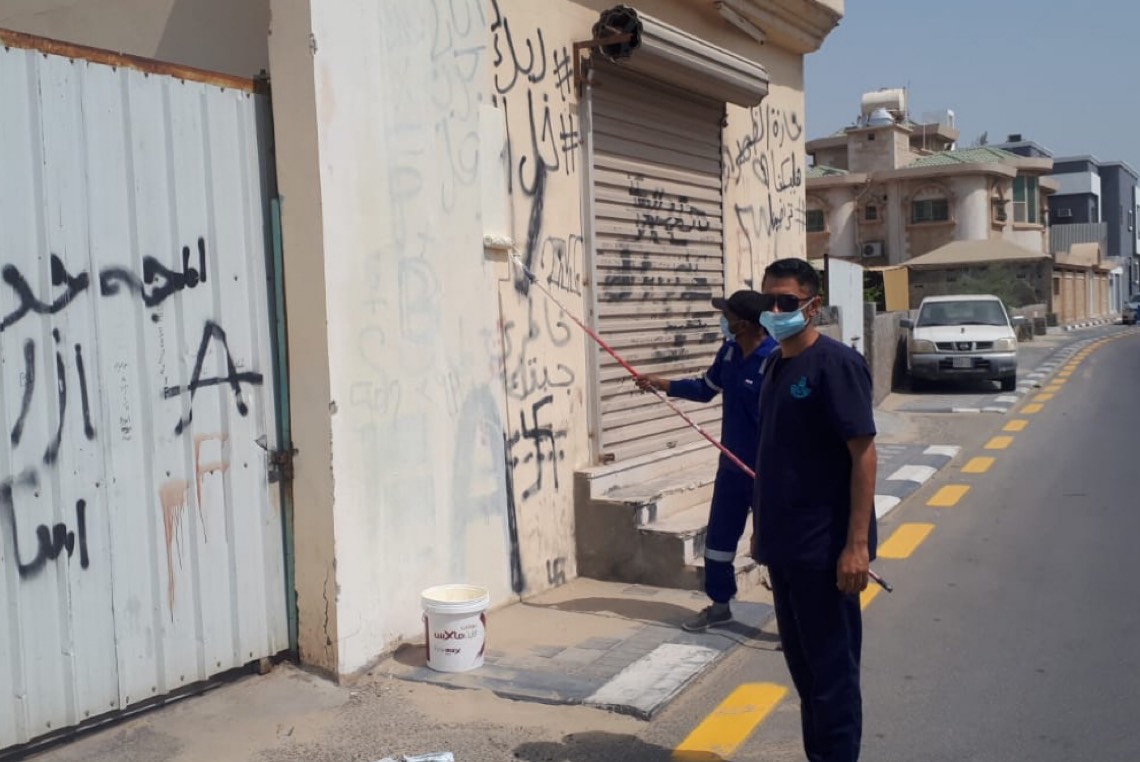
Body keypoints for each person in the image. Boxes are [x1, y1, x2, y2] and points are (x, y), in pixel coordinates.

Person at [751, 257, 877, 762]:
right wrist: (763, 533)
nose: (774, 309)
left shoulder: (836, 364)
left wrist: (857, 546)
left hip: (825, 553)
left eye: (785, 301)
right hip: (785, 550)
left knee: (832, 680)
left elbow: (863, 453)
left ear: (812, 306)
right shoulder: (775, 364)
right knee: (805, 676)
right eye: (768, 301)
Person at [636, 290, 778, 632]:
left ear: (744, 324)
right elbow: (705, 389)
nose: (723, 321)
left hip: (768, 471)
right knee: (718, 541)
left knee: (775, 545)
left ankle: (794, 619)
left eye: (728, 316)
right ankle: (720, 605)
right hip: (731, 466)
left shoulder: (776, 359)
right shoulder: (729, 352)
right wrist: (662, 384)